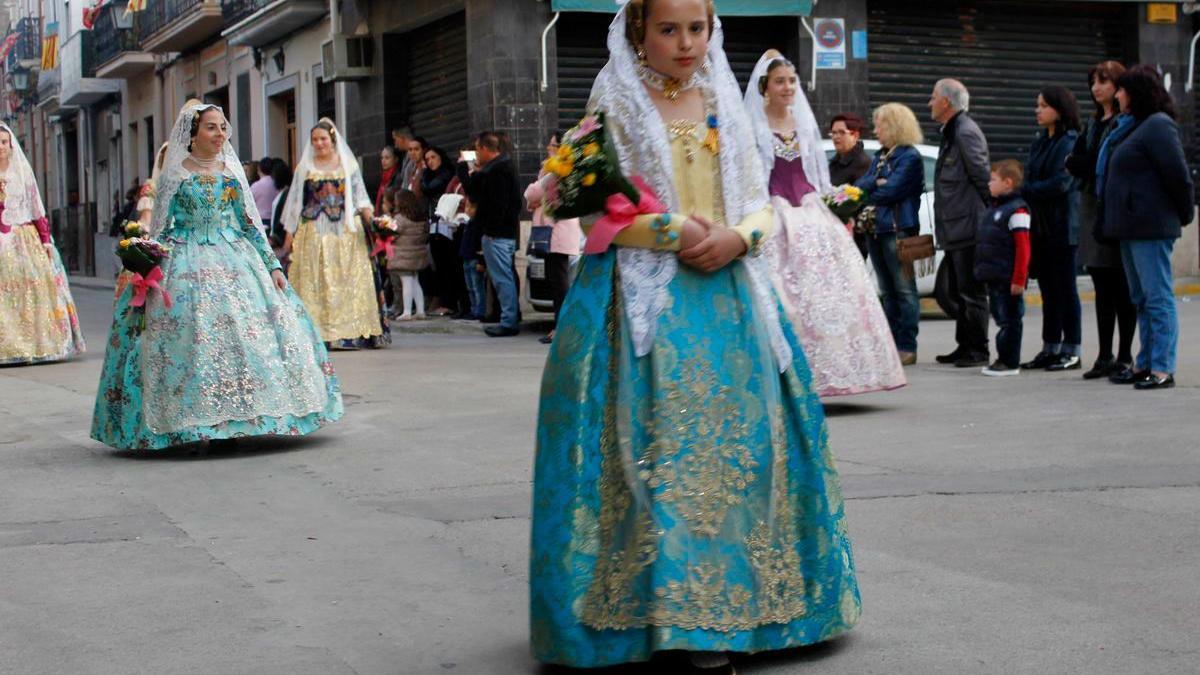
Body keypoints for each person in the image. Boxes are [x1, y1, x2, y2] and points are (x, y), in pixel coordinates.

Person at [530, 1, 860, 671]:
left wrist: (743, 235)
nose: (685, 44)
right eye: (668, 29)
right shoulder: (613, 95)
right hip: (640, 296)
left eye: (697, 29)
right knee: (651, 454)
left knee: (742, 453)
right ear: (637, 32)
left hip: (730, 292)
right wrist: (672, 232)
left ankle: (736, 608)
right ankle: (670, 619)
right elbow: (594, 206)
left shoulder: (720, 97)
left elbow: (756, 195)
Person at [90, 101, 342, 450]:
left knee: (248, 334)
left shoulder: (232, 172)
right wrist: (147, 269)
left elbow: (251, 224)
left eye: (223, 126)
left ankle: (240, 419)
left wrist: (272, 266)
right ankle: (196, 424)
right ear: (193, 133)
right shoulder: (176, 174)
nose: (220, 133)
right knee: (192, 336)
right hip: (185, 258)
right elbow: (162, 228)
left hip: (235, 257)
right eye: (211, 127)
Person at [745, 50, 905, 396]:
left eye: (791, 81)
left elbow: (817, 176)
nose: (788, 87)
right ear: (765, 87)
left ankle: (843, 371)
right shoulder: (753, 126)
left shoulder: (803, 123)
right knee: (785, 292)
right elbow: (753, 177)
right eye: (780, 81)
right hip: (775, 211)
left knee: (835, 291)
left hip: (810, 210)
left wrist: (836, 202)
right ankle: (791, 377)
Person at [1098, 64, 1194, 390]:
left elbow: (1178, 176)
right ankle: (1145, 363)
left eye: (1122, 89)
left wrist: (1182, 214)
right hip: (1130, 226)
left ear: (1136, 93)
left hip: (1150, 226)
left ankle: (1163, 367)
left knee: (1157, 297)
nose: (1118, 94)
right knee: (1140, 298)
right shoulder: (1132, 126)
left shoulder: (1157, 126)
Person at [280, 118, 380, 350]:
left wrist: (375, 224)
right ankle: (318, 332)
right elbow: (295, 203)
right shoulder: (305, 168)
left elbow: (360, 196)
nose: (319, 143)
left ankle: (349, 333)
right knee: (316, 280)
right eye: (315, 139)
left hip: (345, 231)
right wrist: (288, 239)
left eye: (323, 139)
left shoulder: (347, 165)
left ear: (332, 139)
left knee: (346, 279)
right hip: (314, 229)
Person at [1066, 61, 1135, 380]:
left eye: (1103, 81)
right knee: (1101, 284)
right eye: (1093, 81)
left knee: (1121, 286)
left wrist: (1081, 163)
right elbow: (1076, 161)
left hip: (1113, 205)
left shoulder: (1124, 122)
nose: (1096, 87)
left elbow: (1094, 163)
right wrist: (1080, 162)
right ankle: (1104, 354)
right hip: (1091, 204)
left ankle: (1124, 355)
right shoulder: (1092, 123)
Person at [0, 123, 86, 366]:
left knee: (32, 290)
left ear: (11, 145)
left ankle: (36, 343)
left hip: (23, 239)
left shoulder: (22, 174)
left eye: (4, 142)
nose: (0, 147)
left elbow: (36, 209)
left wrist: (46, 240)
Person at [855, 103, 926, 365]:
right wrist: (875, 182)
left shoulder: (909, 157)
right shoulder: (881, 155)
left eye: (880, 125)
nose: (876, 130)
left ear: (894, 126)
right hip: (876, 228)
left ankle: (907, 346)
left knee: (905, 290)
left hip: (898, 230)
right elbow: (860, 186)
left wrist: (873, 187)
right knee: (886, 290)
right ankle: (892, 345)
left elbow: (891, 191)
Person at [1020, 86, 1083, 372]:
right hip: (1040, 225)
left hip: (1062, 225)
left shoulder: (1069, 141)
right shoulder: (1040, 141)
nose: (1038, 110)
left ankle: (1072, 349)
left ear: (1059, 109)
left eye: (1043, 105)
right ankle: (1050, 346)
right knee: (1048, 290)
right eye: (1037, 105)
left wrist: (1028, 190)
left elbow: (1061, 183)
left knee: (1065, 289)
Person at [930, 78, 991, 367]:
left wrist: (989, 217)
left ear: (946, 102)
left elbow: (981, 175)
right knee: (958, 289)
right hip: (953, 224)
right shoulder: (951, 131)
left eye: (933, 97)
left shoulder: (965, 132)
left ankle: (978, 349)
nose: (929, 103)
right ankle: (964, 345)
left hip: (968, 224)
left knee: (972, 291)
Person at [456, 131, 522, 337]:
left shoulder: (498, 171)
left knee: (503, 278)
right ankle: (508, 317)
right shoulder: (494, 169)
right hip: (499, 233)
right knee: (502, 277)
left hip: (498, 234)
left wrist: (491, 230)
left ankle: (508, 320)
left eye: (477, 149)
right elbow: (474, 191)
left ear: (486, 149)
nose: (475, 153)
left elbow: (494, 204)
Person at [524, 130, 583, 345]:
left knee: (559, 284)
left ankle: (561, 327)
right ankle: (558, 326)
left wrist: (536, 195)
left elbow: (532, 193)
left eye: (552, 145)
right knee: (557, 282)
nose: (549, 148)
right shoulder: (553, 169)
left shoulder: (559, 170)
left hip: (557, 233)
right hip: (554, 233)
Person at [974, 160, 1032, 376]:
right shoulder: (995, 208)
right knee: (1001, 317)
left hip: (1008, 277)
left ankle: (1009, 361)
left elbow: (1023, 248)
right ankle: (1004, 359)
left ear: (1007, 183)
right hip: (995, 275)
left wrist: (1019, 279)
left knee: (1010, 320)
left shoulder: (1017, 211)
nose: (989, 183)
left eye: (993, 180)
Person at [422, 145, 465, 317]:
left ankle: (452, 302)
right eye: (427, 159)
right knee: (438, 265)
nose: (430, 162)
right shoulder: (431, 175)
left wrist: (423, 174)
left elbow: (429, 188)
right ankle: (446, 301)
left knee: (449, 264)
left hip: (448, 225)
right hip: (434, 223)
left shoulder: (446, 174)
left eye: (433, 157)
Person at [828, 112, 874, 257]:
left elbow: (861, 199)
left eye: (841, 132)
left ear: (855, 135)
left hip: (853, 237)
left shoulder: (862, 163)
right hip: (834, 234)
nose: (836, 137)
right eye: (833, 133)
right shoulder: (835, 161)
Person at [385, 189, 430, 320]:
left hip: (403, 255)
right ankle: (420, 310)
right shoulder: (420, 218)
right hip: (417, 254)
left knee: (406, 281)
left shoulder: (400, 219)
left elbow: (392, 234)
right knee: (415, 280)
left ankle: (407, 311)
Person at [250, 156, 279, 238]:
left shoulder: (256, 186)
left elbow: (249, 203)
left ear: (259, 170)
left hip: (260, 220)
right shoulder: (277, 184)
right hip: (275, 219)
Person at [375, 145, 404, 214]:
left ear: (396, 159)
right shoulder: (383, 177)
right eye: (382, 158)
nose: (383, 161)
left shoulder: (398, 177)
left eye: (387, 158)